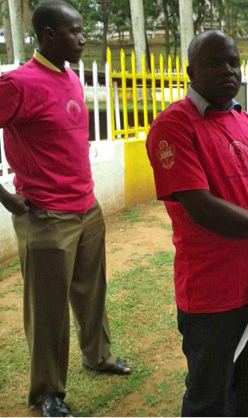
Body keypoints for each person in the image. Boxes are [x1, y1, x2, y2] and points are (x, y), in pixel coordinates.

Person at [146, 29, 248, 416]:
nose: (227, 70)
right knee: (208, 399)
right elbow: (201, 207)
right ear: (190, 71)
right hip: (211, 295)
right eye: (214, 63)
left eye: (232, 62)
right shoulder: (174, 126)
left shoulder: (246, 122)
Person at [0, 1, 132, 416]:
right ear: (49, 36)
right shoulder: (18, 84)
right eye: (75, 31)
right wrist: (4, 196)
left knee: (92, 293)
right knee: (47, 310)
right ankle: (47, 393)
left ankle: (99, 357)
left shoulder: (71, 77)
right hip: (46, 216)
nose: (83, 37)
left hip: (86, 207)